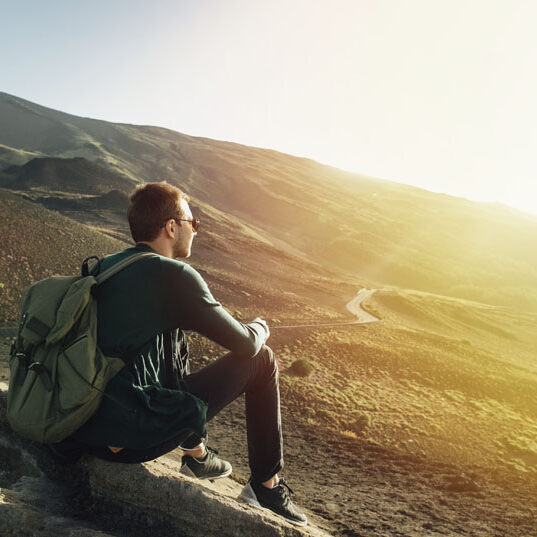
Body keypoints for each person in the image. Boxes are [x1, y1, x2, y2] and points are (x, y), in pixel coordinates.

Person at [53, 181, 307, 526]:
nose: (196, 232)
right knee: (263, 360)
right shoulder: (173, 275)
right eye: (193, 223)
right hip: (125, 438)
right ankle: (265, 486)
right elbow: (246, 345)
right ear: (171, 227)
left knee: (169, 339)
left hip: (79, 426)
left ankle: (195, 453)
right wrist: (261, 326)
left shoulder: (106, 265)